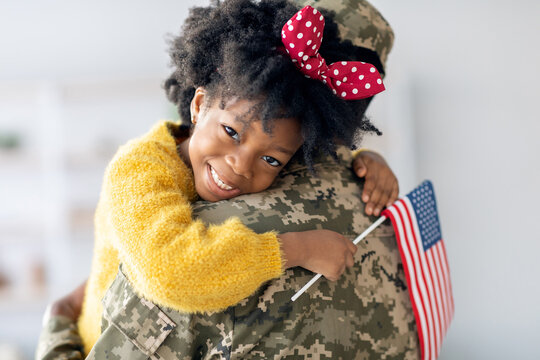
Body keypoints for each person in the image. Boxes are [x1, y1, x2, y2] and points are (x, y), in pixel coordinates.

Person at [37, 0, 420, 358]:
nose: (240, 165)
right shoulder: (138, 168)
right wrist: (297, 250)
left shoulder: (262, 154)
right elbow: (171, 270)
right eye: (232, 133)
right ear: (200, 105)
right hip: (93, 338)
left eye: (270, 159)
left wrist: (366, 160)